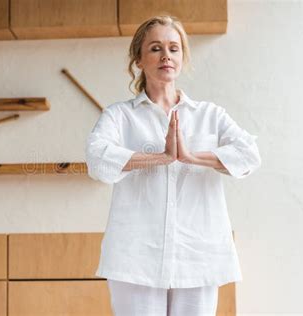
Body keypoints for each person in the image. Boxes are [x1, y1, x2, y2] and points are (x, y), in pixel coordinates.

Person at [85, 15, 262, 316]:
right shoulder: (119, 116)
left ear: (182, 57)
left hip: (198, 255)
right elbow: (97, 158)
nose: (166, 55)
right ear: (138, 60)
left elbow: (249, 154)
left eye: (174, 48)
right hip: (135, 257)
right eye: (155, 48)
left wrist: (191, 156)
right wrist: (159, 158)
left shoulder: (210, 115)